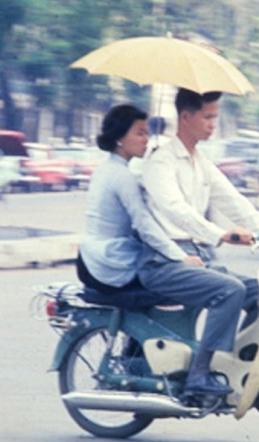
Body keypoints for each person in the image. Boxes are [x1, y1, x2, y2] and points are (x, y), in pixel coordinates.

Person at [77, 104, 242, 396]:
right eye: (139, 133)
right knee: (202, 284)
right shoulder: (121, 176)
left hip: (99, 257)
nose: (146, 139)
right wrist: (180, 256)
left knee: (203, 278)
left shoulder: (113, 170)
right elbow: (145, 224)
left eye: (147, 133)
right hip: (111, 262)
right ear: (120, 138)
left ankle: (145, 353)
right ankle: (198, 373)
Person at [140, 88, 259, 367]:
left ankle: (242, 364)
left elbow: (232, 200)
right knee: (230, 290)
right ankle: (201, 373)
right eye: (207, 117)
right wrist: (219, 234)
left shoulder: (201, 163)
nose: (213, 124)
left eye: (215, 117)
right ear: (186, 118)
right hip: (162, 261)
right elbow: (174, 208)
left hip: (195, 256)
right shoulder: (161, 161)